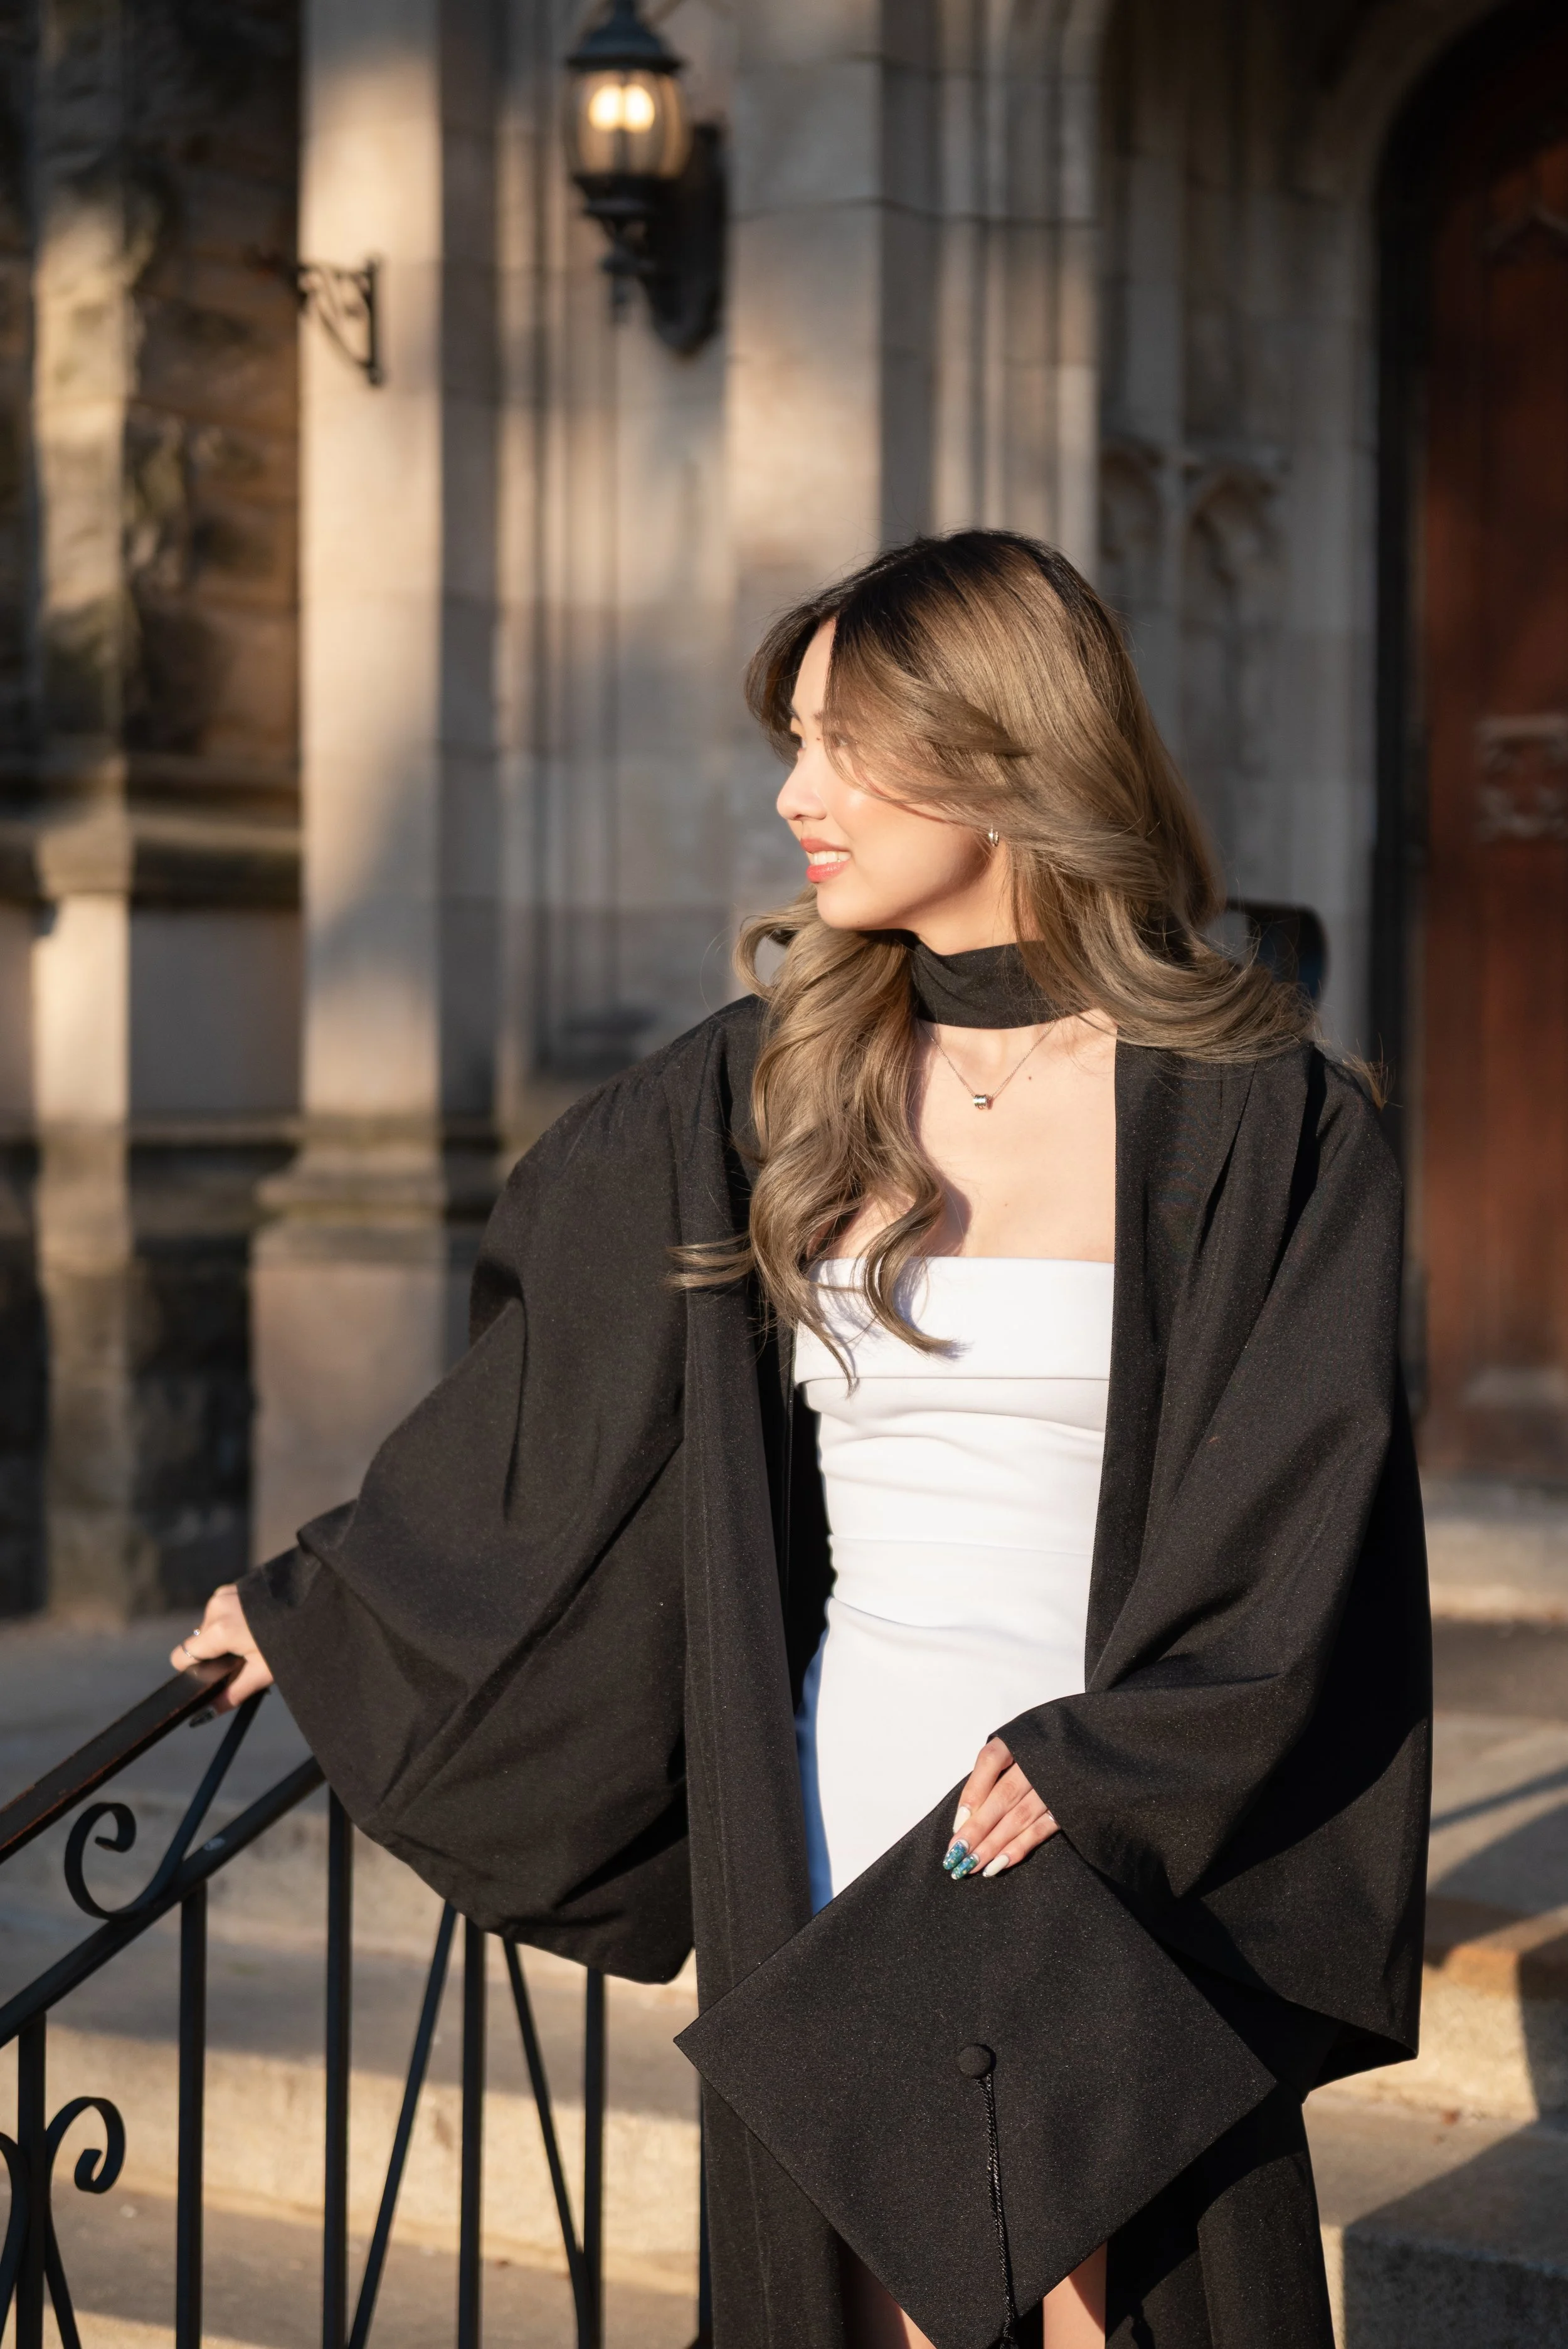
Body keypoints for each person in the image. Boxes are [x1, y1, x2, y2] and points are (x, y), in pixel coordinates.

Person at [176, 531, 1430, 2349]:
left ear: (1006, 753)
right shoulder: (762, 1086)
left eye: (844, 743)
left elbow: (1308, 1491)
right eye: (796, 739)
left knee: (1116, 2307)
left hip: (1109, 1820)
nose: (793, 794)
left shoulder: (1261, 1124)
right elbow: (556, 1397)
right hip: (842, 1809)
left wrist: (1129, 1764)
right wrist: (321, 1605)